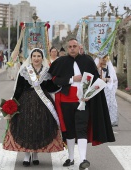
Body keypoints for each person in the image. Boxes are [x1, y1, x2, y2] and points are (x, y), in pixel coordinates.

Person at [48, 38, 115, 170]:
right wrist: (72, 79)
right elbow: (54, 80)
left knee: (82, 129)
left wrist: (90, 95)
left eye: (74, 46)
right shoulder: (61, 62)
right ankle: (71, 158)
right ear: (67, 48)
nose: (72, 48)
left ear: (79, 47)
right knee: (70, 131)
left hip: (83, 101)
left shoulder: (87, 61)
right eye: (70, 47)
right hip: (66, 101)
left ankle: (83, 159)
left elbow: (95, 79)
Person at [3, 48, 63, 167]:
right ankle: (26, 155)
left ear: (42, 58)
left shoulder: (47, 71)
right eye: (34, 56)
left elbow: (51, 88)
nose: (36, 58)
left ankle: (35, 154)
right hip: (25, 103)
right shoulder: (25, 71)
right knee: (26, 128)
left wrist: (63, 80)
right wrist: (12, 104)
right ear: (31, 58)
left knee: (39, 127)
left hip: (43, 105)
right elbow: (19, 89)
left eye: (38, 56)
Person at [95, 55, 118, 126]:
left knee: (111, 104)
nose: (104, 60)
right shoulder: (96, 66)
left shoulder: (109, 67)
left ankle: (110, 121)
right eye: (102, 58)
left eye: (105, 59)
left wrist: (108, 79)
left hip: (108, 89)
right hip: (98, 88)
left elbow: (114, 79)